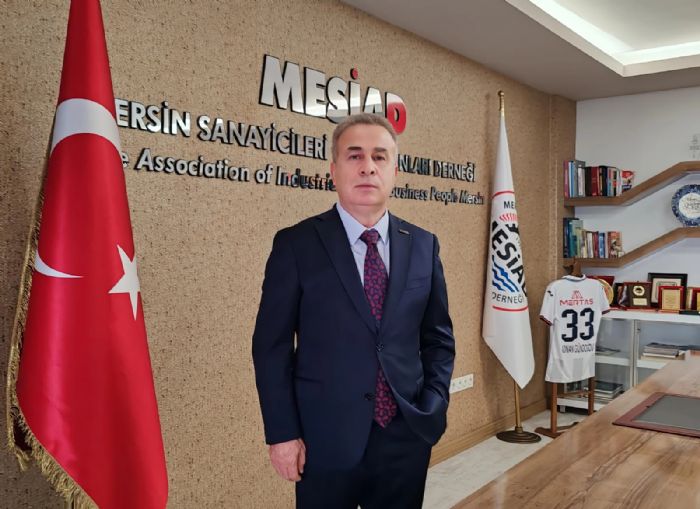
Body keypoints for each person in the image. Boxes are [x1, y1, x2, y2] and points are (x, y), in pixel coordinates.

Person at [252, 113, 455, 508]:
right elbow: (271, 347)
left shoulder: (423, 245)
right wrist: (282, 433)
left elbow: (438, 339)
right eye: (355, 155)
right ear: (333, 170)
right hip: (322, 440)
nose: (368, 167)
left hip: (405, 437)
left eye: (380, 157)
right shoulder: (296, 245)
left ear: (394, 171)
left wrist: (433, 403)